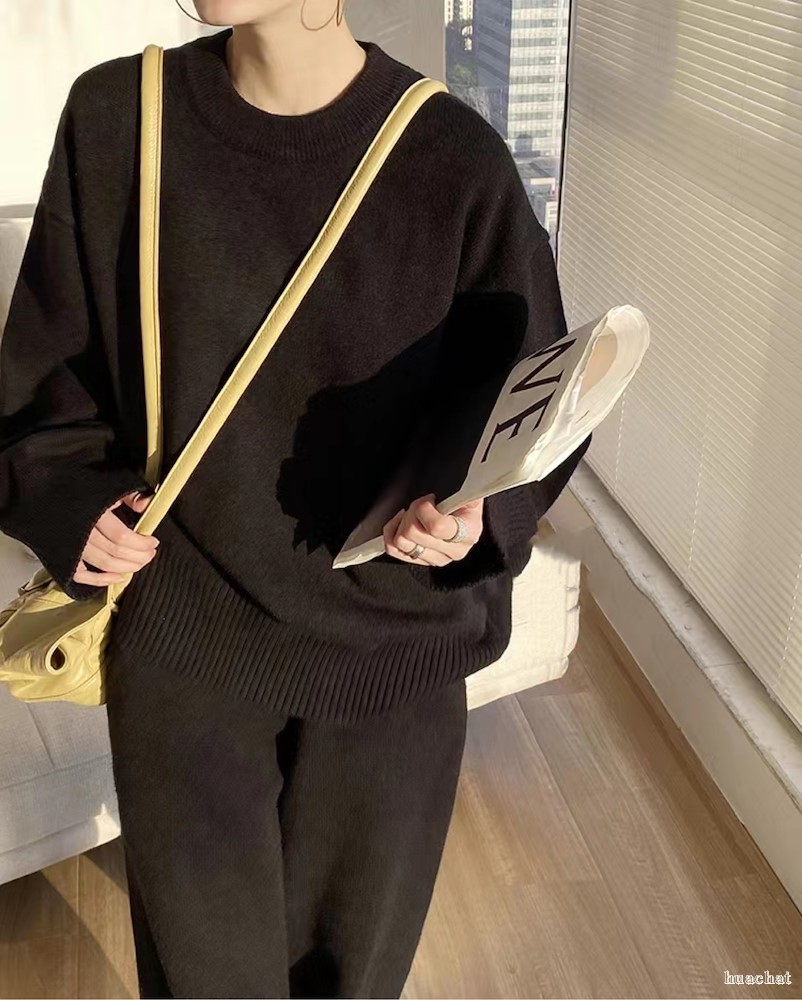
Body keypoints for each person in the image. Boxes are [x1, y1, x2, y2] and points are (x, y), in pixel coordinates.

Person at [0, 1, 592, 996]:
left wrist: (472, 518)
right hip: (184, 648)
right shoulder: (119, 118)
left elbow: (531, 411)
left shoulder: (453, 159)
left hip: (393, 663)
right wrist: (72, 501)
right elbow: (46, 381)